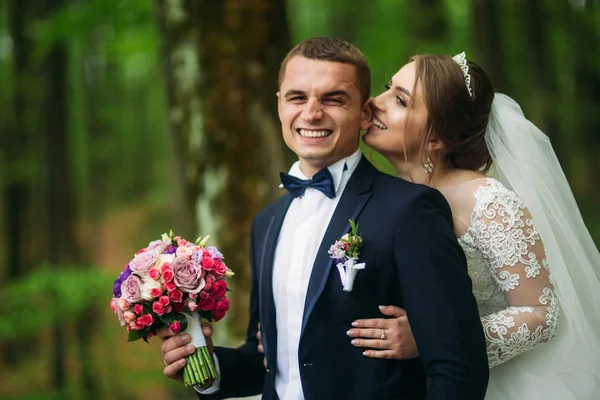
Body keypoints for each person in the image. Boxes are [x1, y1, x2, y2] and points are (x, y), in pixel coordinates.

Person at [159, 38, 490, 399]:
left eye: (333, 99)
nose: (312, 113)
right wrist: (205, 368)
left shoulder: (412, 211)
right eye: (297, 97)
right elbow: (268, 362)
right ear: (280, 105)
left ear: (365, 113)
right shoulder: (266, 224)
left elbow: (460, 369)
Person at [345, 52, 600, 399]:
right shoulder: (382, 197)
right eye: (388, 88)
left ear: (436, 138)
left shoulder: (489, 203)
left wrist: (433, 336)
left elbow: (542, 314)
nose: (375, 102)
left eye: (401, 101)